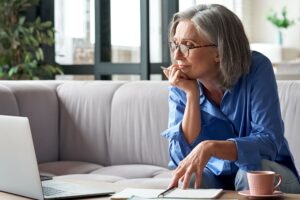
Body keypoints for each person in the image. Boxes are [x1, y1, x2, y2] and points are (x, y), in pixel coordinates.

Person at [161, 4, 300, 193]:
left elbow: (269, 141)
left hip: (269, 173)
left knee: (249, 173)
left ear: (219, 52)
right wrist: (192, 95)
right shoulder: (182, 82)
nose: (177, 55)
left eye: (188, 46)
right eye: (175, 44)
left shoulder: (257, 68)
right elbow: (181, 159)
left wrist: (212, 147)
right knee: (189, 179)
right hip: (215, 176)